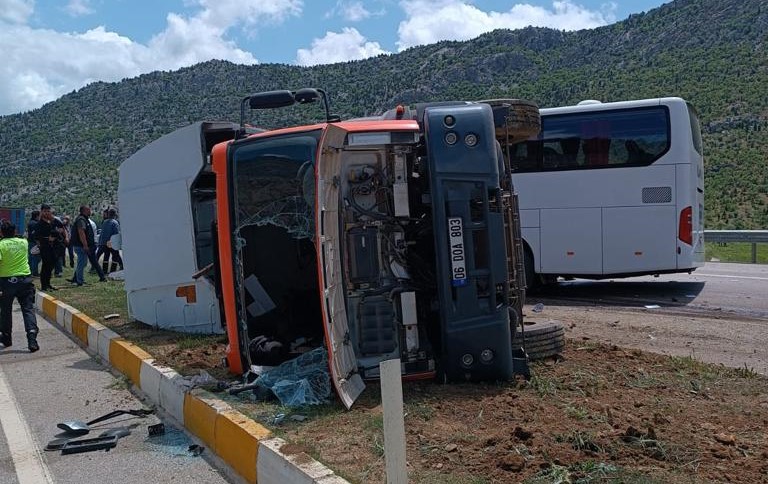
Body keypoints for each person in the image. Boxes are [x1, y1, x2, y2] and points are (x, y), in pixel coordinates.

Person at [0, 222, 40, 352]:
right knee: (28, 309)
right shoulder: (23, 242)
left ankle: (6, 337)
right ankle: (32, 339)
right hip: (25, 280)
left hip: (7, 282)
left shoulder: (1, 245)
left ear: (1, 232)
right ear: (15, 230)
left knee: (5, 310)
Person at [70, 205, 106, 286]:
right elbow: (81, 232)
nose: (90, 211)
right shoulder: (81, 220)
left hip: (82, 245)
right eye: (88, 210)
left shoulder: (85, 219)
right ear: (84, 211)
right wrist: (85, 245)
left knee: (83, 263)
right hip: (81, 246)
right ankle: (80, 281)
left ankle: (78, 279)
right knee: (81, 263)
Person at [35, 204, 64, 291]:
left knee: (51, 266)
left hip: (54, 247)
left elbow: (61, 226)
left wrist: (53, 219)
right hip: (45, 247)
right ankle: (44, 286)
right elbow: (37, 237)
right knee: (45, 266)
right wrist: (47, 239)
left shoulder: (52, 221)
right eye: (45, 211)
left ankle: (48, 284)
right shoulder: (40, 224)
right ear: (42, 212)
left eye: (48, 211)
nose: (47, 213)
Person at [97, 208, 123, 274]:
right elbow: (116, 234)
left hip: (105, 243)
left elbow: (102, 233)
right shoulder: (115, 223)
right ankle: (112, 271)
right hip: (112, 243)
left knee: (106, 256)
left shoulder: (105, 222)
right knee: (115, 257)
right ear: (114, 214)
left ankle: (104, 271)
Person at [26, 209, 41, 277]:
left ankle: (29, 271)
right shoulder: (35, 223)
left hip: (30, 242)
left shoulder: (30, 222)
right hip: (35, 242)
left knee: (31, 257)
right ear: (37, 216)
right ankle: (34, 272)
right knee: (36, 257)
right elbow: (35, 233)